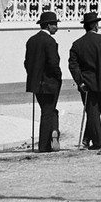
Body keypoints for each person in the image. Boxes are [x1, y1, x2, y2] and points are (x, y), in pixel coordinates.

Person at [68, 11, 101, 151]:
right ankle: (98, 142)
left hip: (86, 84)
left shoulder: (77, 44)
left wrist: (80, 82)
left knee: (93, 111)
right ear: (95, 26)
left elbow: (73, 65)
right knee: (95, 111)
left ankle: (87, 139)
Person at [24, 10, 62, 153]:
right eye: (55, 25)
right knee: (47, 112)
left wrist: (33, 76)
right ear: (48, 26)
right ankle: (44, 145)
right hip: (50, 83)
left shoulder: (31, 40)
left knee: (48, 111)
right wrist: (58, 76)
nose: (56, 27)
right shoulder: (50, 41)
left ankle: (54, 131)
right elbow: (53, 63)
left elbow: (27, 63)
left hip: (36, 83)